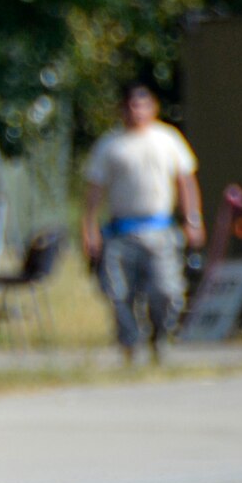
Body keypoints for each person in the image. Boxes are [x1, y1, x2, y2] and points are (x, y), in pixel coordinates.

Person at [80, 82, 204, 362]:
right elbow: (94, 191)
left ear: (153, 107)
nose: (137, 111)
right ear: (122, 109)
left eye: (143, 104)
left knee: (167, 291)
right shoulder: (111, 145)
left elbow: (185, 181)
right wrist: (89, 228)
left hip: (159, 229)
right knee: (118, 293)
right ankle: (130, 345)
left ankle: (160, 337)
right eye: (131, 105)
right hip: (121, 231)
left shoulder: (167, 139)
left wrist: (192, 219)